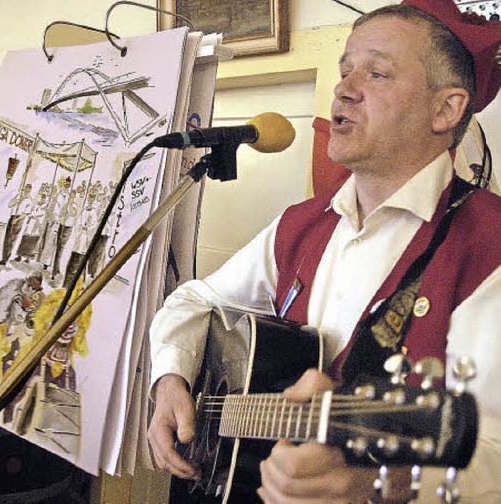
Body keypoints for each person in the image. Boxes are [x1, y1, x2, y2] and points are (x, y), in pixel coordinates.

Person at [147, 1, 501, 503]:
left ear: (445, 109)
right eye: (344, 70)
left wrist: (386, 485)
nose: (344, 88)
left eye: (376, 73)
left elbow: (491, 449)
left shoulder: (489, 244)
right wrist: (170, 379)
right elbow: (193, 300)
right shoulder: (302, 223)